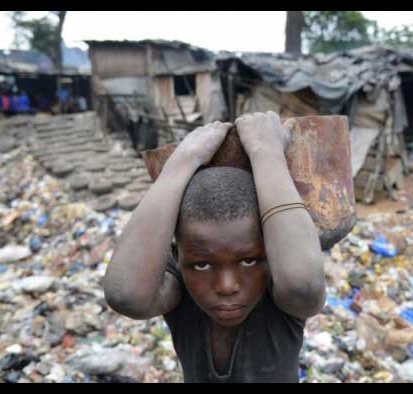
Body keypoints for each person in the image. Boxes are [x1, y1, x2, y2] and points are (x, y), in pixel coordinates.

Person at [104, 112, 325, 383]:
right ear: (177, 256)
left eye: (248, 261)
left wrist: (266, 154)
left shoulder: (281, 292)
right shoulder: (177, 289)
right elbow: (126, 295)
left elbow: (303, 283)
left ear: (272, 252)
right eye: (202, 264)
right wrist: (183, 161)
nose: (226, 286)